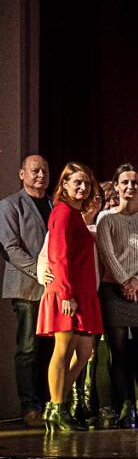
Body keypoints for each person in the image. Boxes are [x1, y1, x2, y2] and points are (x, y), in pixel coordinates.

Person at [95, 164, 138, 428]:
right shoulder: (106, 218)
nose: (130, 187)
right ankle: (124, 406)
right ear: (116, 186)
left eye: (134, 182)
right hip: (114, 289)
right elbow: (107, 255)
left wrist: (136, 281)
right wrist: (125, 281)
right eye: (124, 182)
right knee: (119, 352)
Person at [37, 163, 103, 432]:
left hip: (83, 292)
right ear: (64, 184)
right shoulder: (62, 213)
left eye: (86, 183)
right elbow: (58, 256)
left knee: (85, 352)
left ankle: (57, 403)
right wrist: (66, 294)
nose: (82, 187)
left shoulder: (75, 215)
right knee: (62, 351)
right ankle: (56, 408)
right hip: (68, 292)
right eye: (76, 182)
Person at [0, 153, 52, 427]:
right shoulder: (10, 205)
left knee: (50, 348)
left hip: (53, 289)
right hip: (27, 287)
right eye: (35, 170)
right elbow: (10, 249)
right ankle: (30, 407)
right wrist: (41, 272)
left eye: (44, 170)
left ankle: (49, 403)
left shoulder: (55, 204)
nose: (41, 175)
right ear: (22, 174)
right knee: (28, 348)